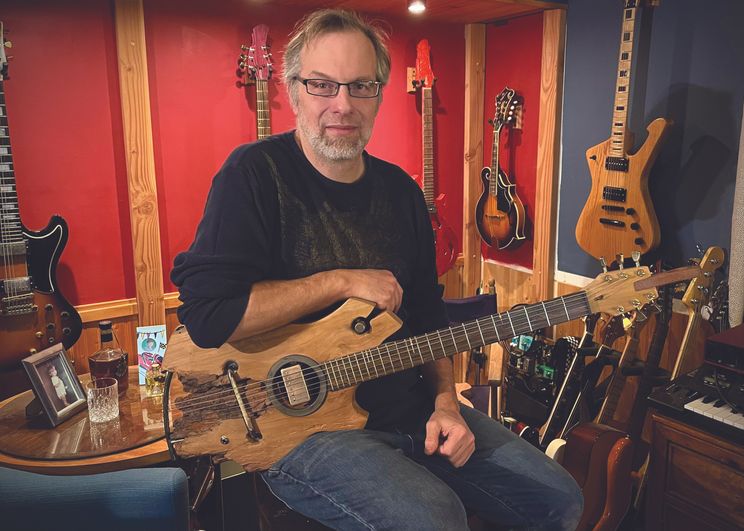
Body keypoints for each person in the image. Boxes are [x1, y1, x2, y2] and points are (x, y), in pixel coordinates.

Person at [172, 9, 583, 530]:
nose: (342, 105)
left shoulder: (402, 193)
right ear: (295, 90)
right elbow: (209, 317)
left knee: (558, 498)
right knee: (435, 519)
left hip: (409, 406)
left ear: (381, 94)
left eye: (361, 86)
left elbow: (429, 318)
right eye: (322, 85)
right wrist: (339, 280)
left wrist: (447, 405)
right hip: (301, 430)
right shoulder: (251, 176)